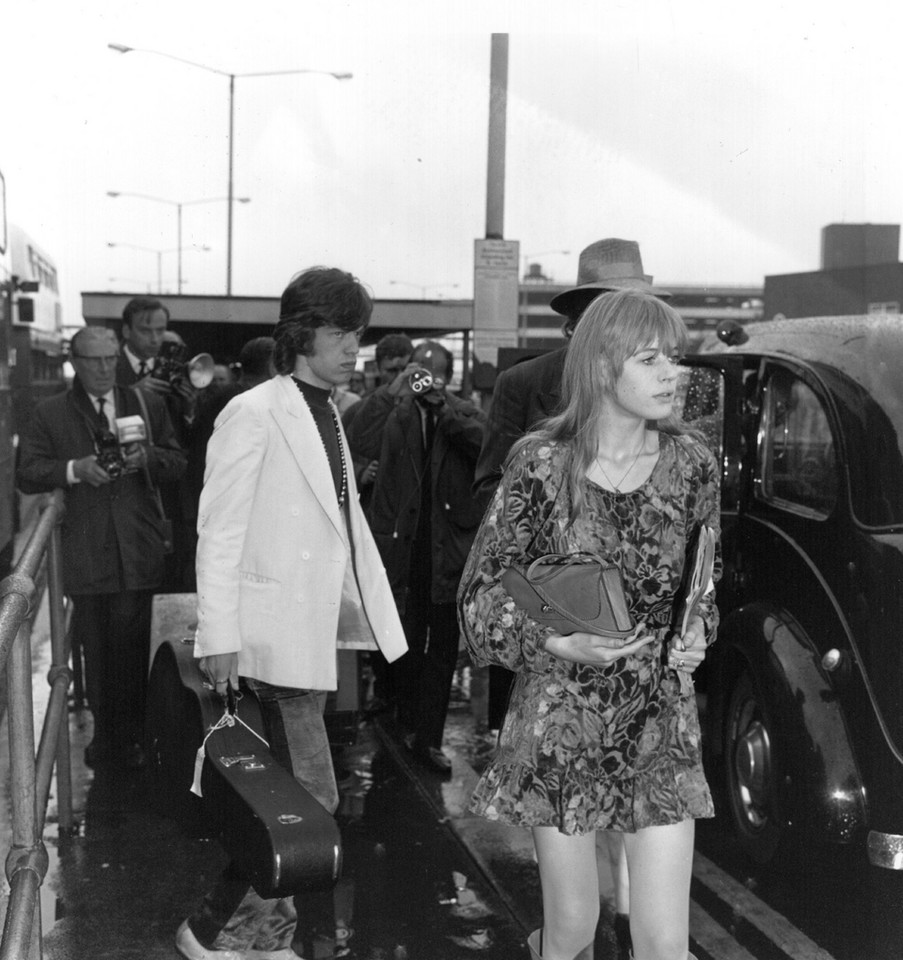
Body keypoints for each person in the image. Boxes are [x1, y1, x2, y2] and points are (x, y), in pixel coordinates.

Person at [458, 290, 720, 960]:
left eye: (675, 357)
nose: (673, 373)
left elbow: (702, 582)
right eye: (650, 358)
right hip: (561, 714)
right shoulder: (543, 463)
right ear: (603, 367)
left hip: (658, 712)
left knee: (665, 944)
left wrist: (695, 636)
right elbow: (482, 596)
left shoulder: (691, 464)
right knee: (570, 929)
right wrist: (550, 637)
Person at [177, 266, 407, 960]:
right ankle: (311, 944)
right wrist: (219, 634)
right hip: (268, 637)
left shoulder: (325, 409)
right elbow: (217, 528)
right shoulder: (255, 410)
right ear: (301, 333)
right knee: (314, 799)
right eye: (339, 332)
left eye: (356, 334)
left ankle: (212, 930)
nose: (351, 348)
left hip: (307, 636)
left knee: (300, 805)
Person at [17, 327, 185, 770]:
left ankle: (130, 736)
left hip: (136, 547)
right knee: (95, 647)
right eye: (95, 360)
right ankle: (107, 734)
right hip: (88, 553)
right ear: (75, 362)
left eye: (111, 359)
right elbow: (27, 472)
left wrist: (146, 457)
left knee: (133, 645)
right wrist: (74, 470)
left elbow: (177, 460)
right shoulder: (50, 412)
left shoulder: (146, 404)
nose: (106, 368)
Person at [347, 340, 486, 775]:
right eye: (419, 371)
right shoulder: (393, 411)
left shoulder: (460, 411)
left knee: (443, 647)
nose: (426, 379)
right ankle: (407, 720)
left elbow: (486, 445)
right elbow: (357, 438)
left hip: (447, 549)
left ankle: (429, 738)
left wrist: (446, 408)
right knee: (402, 640)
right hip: (402, 547)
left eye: (435, 372)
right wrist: (395, 393)